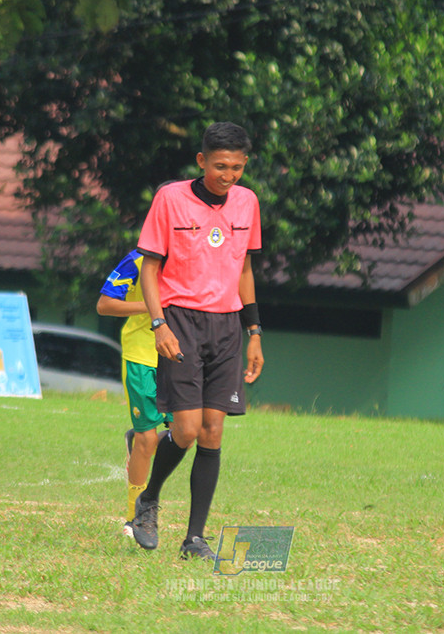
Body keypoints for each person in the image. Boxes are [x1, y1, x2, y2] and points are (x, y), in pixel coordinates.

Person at [129, 121, 264, 561]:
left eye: (238, 168)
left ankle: (194, 539)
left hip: (226, 327)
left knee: (213, 431)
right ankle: (148, 500)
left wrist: (255, 333)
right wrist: (158, 324)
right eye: (221, 166)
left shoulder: (247, 203)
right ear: (201, 160)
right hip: (180, 321)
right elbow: (150, 269)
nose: (229, 176)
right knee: (185, 430)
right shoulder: (170, 199)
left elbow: (244, 269)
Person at [97, 249, 171, 538]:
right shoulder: (137, 259)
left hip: (180, 354)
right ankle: (134, 518)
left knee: (191, 433)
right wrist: (152, 306)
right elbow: (104, 305)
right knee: (148, 438)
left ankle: (140, 439)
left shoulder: (195, 255)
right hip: (142, 354)